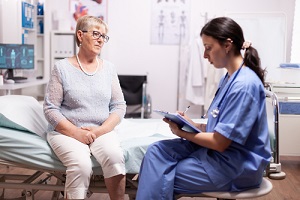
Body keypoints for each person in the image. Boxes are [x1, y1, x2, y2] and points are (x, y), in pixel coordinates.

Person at [136, 16, 272, 199]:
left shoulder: (244, 85)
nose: (204, 55)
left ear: (227, 45)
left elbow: (220, 142)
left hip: (236, 166)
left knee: (156, 174)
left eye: (208, 48)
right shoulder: (229, 78)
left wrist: (182, 133)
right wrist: (190, 124)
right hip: (220, 154)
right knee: (155, 152)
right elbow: (221, 127)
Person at [43, 15, 126, 200]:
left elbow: (119, 106)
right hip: (65, 132)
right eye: (96, 34)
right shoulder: (62, 68)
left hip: (100, 130)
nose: (100, 39)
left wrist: (100, 131)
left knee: (114, 157)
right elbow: (50, 109)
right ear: (80, 35)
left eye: (104, 36)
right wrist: (76, 133)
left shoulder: (109, 69)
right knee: (81, 165)